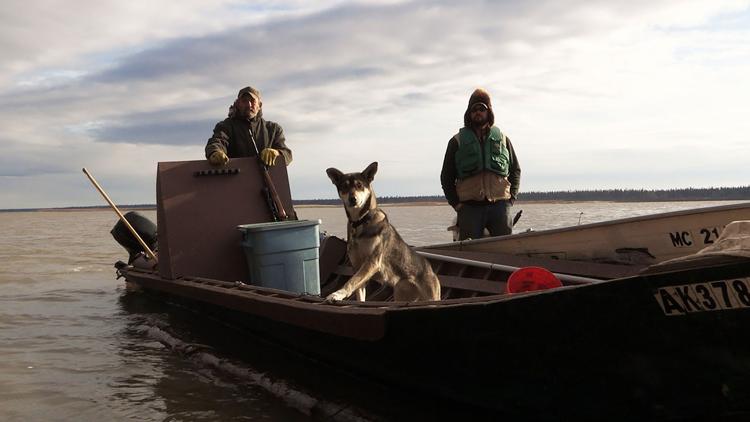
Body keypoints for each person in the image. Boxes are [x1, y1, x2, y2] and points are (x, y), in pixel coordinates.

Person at [440, 88, 521, 240]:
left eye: (482, 108)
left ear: (488, 112)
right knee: (470, 255)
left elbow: (515, 170)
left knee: (505, 249)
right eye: (474, 109)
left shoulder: (503, 139)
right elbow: (446, 176)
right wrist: (456, 204)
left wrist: (511, 200)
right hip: (469, 209)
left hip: (500, 207)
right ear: (469, 114)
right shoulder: (456, 141)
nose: (478, 112)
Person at [205, 86, 292, 167]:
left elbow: (287, 154)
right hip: (236, 181)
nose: (249, 105)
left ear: (259, 105)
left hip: (268, 182)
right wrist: (215, 152)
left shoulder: (273, 129)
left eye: (253, 101)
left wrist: (277, 153)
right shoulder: (225, 126)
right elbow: (217, 141)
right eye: (244, 101)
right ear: (238, 104)